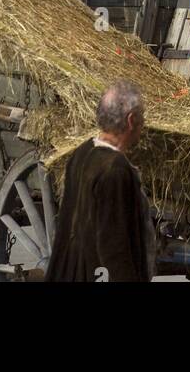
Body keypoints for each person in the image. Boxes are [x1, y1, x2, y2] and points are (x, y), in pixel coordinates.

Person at [44, 81, 155, 283]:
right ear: (131, 120)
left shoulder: (81, 153)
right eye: (142, 118)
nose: (143, 125)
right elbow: (114, 246)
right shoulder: (115, 169)